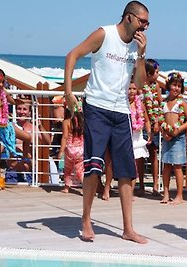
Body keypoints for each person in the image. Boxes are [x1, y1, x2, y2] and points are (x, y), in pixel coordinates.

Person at [63, 1, 149, 243]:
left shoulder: (135, 47)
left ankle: (128, 229)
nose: (146, 27)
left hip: (121, 111)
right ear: (130, 17)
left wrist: (142, 55)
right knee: (94, 167)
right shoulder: (104, 33)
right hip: (97, 108)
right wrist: (69, 94)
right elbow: (72, 55)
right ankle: (86, 220)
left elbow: (140, 85)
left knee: (126, 171)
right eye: (143, 21)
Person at [158, 72, 187, 205]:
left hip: (178, 138)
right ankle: (166, 193)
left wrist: (179, 129)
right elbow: (160, 120)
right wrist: (164, 131)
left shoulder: (182, 103)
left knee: (178, 167)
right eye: (174, 85)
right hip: (167, 137)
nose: (176, 88)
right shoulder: (164, 103)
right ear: (168, 86)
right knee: (166, 166)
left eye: (179, 86)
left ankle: (179, 195)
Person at [141, 58, 162, 195]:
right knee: (141, 155)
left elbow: (160, 104)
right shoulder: (140, 87)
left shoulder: (156, 87)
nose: (158, 75)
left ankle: (155, 184)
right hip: (142, 124)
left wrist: (157, 121)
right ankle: (141, 184)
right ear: (149, 73)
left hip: (155, 123)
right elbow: (141, 106)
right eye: (156, 72)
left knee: (154, 153)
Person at [57, 101, 84, 193]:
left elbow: (64, 137)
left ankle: (66, 187)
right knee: (80, 169)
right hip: (81, 149)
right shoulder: (82, 121)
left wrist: (61, 151)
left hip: (70, 149)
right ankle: (85, 186)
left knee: (68, 169)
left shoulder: (66, 122)